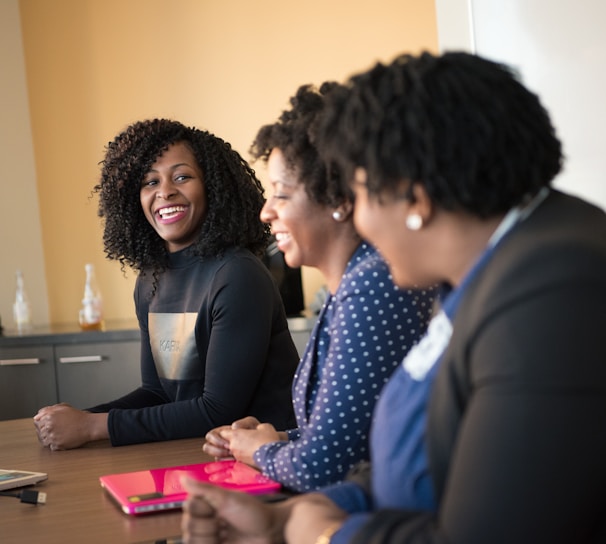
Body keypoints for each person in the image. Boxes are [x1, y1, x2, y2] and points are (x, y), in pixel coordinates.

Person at [179, 51, 606, 544]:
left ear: (414, 198)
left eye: (358, 195)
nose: (358, 221)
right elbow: (425, 454)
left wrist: (327, 535)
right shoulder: (490, 270)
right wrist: (301, 513)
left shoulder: (554, 291)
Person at [202, 82, 435, 492]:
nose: (265, 211)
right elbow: (352, 440)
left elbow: (323, 468)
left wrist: (260, 452)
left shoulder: (372, 286)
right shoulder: (353, 282)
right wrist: (271, 441)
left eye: (281, 195)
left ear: (339, 199)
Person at [33, 119, 300, 450]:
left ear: (213, 187)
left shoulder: (237, 275)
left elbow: (217, 409)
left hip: (265, 461)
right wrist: (79, 419)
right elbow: (157, 393)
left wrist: (92, 426)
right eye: (149, 182)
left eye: (182, 177)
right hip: (191, 450)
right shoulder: (150, 279)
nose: (165, 191)